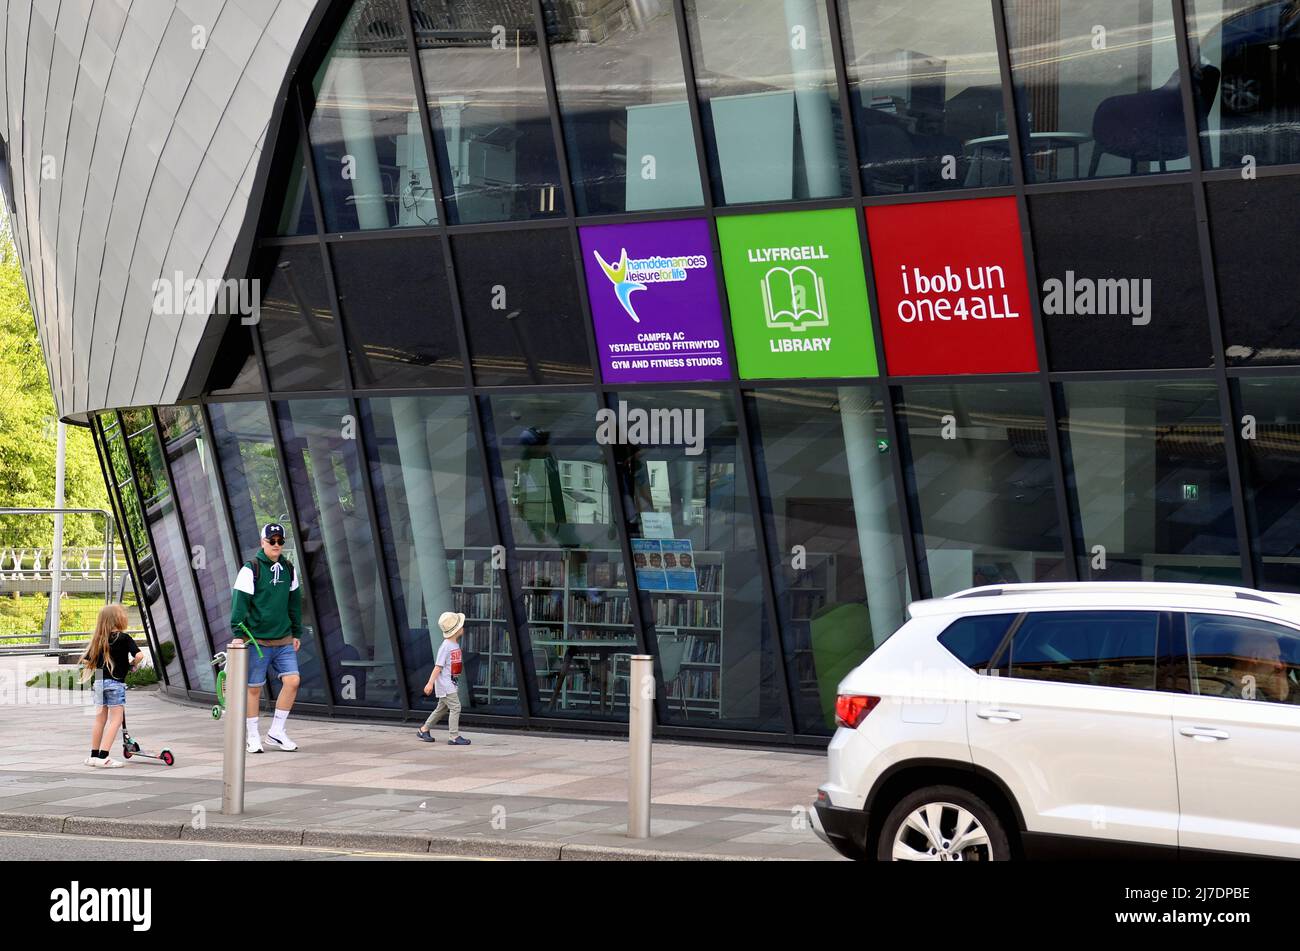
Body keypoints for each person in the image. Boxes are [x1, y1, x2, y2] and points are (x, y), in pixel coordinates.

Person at [230, 523, 303, 752]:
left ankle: (276, 732)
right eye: (272, 541)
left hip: (283, 638)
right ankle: (252, 734)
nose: (277, 545)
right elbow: (239, 604)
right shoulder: (251, 569)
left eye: (280, 541)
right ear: (263, 542)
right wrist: (239, 635)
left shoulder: (289, 568)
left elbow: (294, 603)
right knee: (254, 688)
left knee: (293, 681)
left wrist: (296, 632)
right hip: (257, 640)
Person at [80, 604, 142, 768]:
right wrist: (131, 665)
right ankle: (104, 756)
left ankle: (93, 756)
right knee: (116, 720)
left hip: (99, 682)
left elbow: (87, 660)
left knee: (100, 720)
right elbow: (139, 655)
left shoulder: (98, 640)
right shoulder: (124, 638)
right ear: (119, 619)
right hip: (116, 682)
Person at [416, 611, 471, 746]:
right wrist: (430, 684)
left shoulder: (454, 645)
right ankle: (454, 736)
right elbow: (438, 667)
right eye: (461, 626)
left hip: (451, 683)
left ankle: (424, 729)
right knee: (456, 707)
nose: (463, 628)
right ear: (456, 630)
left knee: (441, 709)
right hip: (446, 685)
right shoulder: (446, 647)